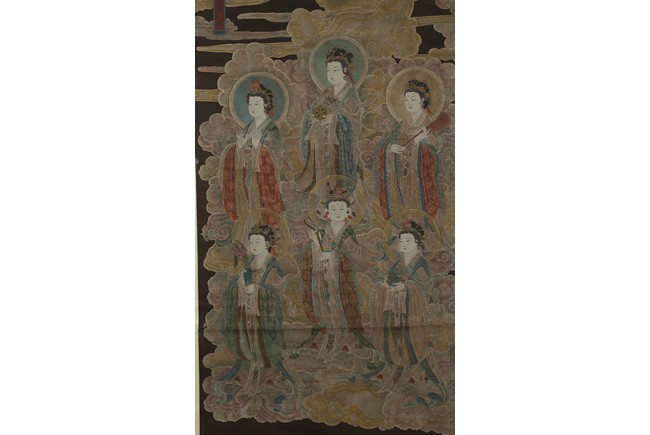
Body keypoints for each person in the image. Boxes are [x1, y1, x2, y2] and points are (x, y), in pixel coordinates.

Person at [298, 182, 379, 365]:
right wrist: (315, 249)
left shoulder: (347, 232)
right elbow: (313, 253)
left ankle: (344, 338)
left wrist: (334, 255)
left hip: (342, 281)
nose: (337, 212)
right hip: (324, 280)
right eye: (333, 208)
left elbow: (358, 256)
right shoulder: (321, 232)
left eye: (341, 208)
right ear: (326, 212)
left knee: (343, 310)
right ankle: (329, 335)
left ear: (348, 211)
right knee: (326, 308)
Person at [371, 221, 448, 403]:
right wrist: (387, 284)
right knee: (396, 340)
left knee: (412, 343)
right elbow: (389, 277)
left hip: (413, 312)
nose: (403, 245)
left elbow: (424, 289)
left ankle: (413, 371)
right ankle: (397, 367)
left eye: (408, 241)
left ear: (417, 244)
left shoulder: (420, 264)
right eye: (401, 241)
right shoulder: (399, 262)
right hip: (397, 310)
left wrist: (405, 287)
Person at [219, 223, 299, 396]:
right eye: (251, 242)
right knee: (248, 343)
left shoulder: (273, 265)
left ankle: (263, 377)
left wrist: (256, 290)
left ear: (267, 243)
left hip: (266, 317)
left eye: (258, 242)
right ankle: (250, 376)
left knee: (261, 345)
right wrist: (241, 285)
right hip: (248, 314)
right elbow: (238, 285)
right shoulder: (248, 263)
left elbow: (279, 291)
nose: (253, 245)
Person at [296, 47, 362, 192]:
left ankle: (338, 186)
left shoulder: (350, 93)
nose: (331, 74)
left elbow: (355, 120)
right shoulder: (327, 92)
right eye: (328, 71)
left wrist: (336, 119)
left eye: (335, 70)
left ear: (345, 70)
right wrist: (313, 116)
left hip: (338, 143)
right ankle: (320, 185)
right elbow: (313, 110)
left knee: (336, 173)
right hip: (321, 139)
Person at [221, 79, 283, 224]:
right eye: (250, 104)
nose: (253, 108)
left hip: (263, 177)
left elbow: (276, 155)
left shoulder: (272, 129)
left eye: (257, 104)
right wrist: (239, 148)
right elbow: (241, 148)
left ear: (265, 105)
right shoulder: (248, 127)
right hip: (247, 175)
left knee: (261, 213)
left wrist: (259, 148)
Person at [378, 79, 440, 220]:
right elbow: (387, 144)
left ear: (422, 100)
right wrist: (390, 149)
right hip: (401, 176)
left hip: (420, 180)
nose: (409, 103)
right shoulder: (401, 125)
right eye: (406, 100)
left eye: (413, 99)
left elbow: (435, 151)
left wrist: (419, 144)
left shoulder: (428, 124)